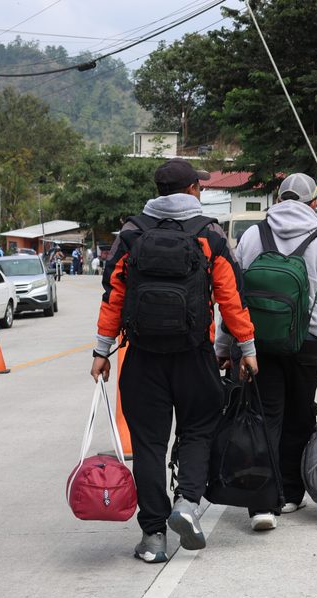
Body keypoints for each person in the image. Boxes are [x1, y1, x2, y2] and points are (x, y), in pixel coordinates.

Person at [91, 157, 257, 563]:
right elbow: (230, 298)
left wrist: (101, 351)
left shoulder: (131, 232)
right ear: (191, 191)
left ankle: (153, 537)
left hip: (143, 356)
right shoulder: (209, 233)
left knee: (148, 443)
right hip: (193, 355)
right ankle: (186, 502)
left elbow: (112, 295)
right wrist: (247, 348)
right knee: (199, 429)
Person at [216, 172, 317, 531]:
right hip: (309, 345)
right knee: (299, 414)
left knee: (264, 417)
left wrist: (224, 345)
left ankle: (263, 503)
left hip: (256, 346)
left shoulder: (252, 235)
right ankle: (292, 493)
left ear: (278, 199)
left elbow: (234, 298)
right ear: (313, 204)